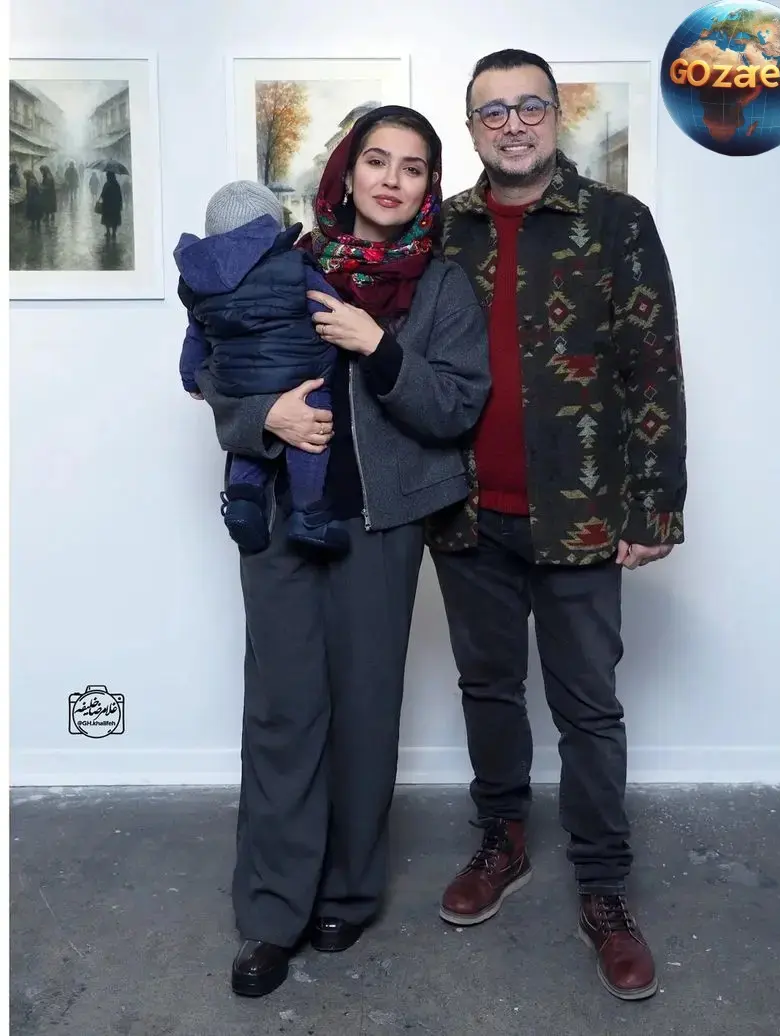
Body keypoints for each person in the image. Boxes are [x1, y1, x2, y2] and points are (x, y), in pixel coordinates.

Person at [192, 104, 491, 999]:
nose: (391, 179)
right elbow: (216, 368)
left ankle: (347, 894)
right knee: (284, 712)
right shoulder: (286, 261)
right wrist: (265, 418)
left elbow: (456, 407)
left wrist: (378, 347)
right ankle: (271, 913)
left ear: (429, 187)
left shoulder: (442, 287)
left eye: (412, 166)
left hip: (381, 525)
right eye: (376, 160)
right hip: (281, 516)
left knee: (365, 708)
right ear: (346, 172)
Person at [426, 49, 687, 1001]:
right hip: (465, 513)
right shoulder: (442, 230)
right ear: (472, 129)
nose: (513, 124)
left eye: (529, 105)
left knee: (588, 708)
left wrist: (656, 504)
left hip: (581, 516)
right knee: (488, 690)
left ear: (555, 115)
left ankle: (604, 889)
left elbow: (653, 367)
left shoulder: (616, 222)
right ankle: (501, 840)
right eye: (492, 111)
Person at [174, 180, 349, 554]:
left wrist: (191, 378)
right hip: (301, 375)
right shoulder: (294, 265)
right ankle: (309, 515)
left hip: (237, 383)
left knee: (250, 439)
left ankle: (243, 499)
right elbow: (329, 309)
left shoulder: (200, 281)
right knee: (310, 433)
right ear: (272, 227)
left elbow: (196, 337)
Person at [98, 170, 122, 239]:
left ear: (109, 176)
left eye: (107, 176)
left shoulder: (107, 184)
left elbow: (103, 194)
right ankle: (114, 232)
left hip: (107, 205)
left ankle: (108, 231)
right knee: (115, 219)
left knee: (107, 218)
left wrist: (101, 197)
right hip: (115, 205)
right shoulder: (116, 184)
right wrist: (120, 203)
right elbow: (120, 195)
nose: (106, 177)